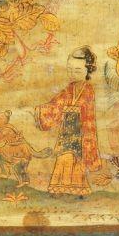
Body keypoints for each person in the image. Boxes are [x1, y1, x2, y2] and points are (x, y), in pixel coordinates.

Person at [34, 47, 103, 196]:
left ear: (88, 70)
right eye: (70, 70)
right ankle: (59, 189)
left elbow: (87, 113)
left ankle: (77, 190)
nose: (72, 74)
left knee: (75, 159)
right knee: (63, 157)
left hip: (79, 131)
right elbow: (56, 104)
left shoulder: (88, 89)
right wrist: (41, 110)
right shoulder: (68, 89)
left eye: (77, 71)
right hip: (66, 130)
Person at [0, 110, 51, 187]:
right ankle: (4, 173)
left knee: (18, 166)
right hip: (11, 151)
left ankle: (23, 181)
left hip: (20, 151)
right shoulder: (2, 128)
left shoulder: (7, 129)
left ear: (5, 121)